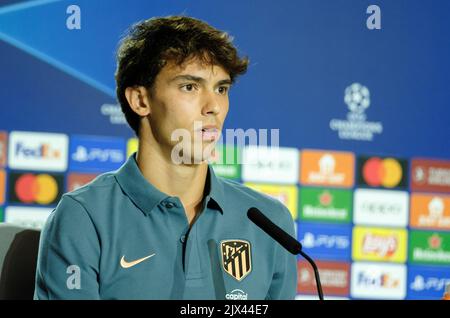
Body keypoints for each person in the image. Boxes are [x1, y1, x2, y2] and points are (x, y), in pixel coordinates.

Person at [34, 15, 297, 300]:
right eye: (190, 86)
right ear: (140, 100)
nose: (214, 107)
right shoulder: (84, 217)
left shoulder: (270, 222)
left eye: (221, 89)